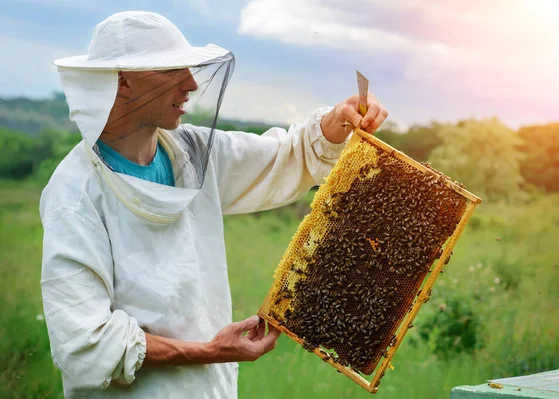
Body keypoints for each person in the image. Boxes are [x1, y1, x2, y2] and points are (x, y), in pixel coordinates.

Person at [39, 10, 388, 399]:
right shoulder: (76, 193)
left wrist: (337, 121)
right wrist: (210, 352)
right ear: (123, 82)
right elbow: (85, 344)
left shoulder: (193, 152)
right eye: (171, 71)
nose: (189, 83)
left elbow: (283, 158)